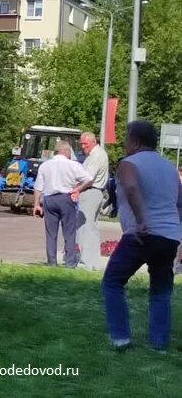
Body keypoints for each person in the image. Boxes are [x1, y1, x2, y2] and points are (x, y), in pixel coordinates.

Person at [101, 121, 182, 352]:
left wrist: (140, 220)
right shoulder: (169, 167)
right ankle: (159, 344)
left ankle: (121, 338)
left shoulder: (129, 163)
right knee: (161, 290)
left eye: (126, 138)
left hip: (141, 234)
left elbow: (132, 187)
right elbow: (180, 202)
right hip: (169, 236)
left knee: (113, 282)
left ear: (134, 141)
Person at [33, 141, 94, 268]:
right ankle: (70, 262)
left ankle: (51, 261)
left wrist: (36, 205)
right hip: (66, 198)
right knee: (69, 232)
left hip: (49, 199)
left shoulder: (45, 165)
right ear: (66, 151)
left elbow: (38, 186)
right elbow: (89, 179)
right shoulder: (73, 165)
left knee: (51, 233)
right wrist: (78, 189)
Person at [77, 132, 110, 271]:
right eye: (81, 144)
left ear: (93, 141)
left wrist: (77, 189)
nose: (83, 146)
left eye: (85, 143)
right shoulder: (97, 154)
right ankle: (93, 261)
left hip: (91, 191)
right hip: (96, 192)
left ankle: (86, 262)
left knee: (85, 227)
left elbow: (89, 178)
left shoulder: (96, 156)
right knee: (92, 228)